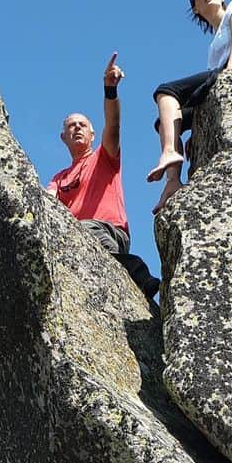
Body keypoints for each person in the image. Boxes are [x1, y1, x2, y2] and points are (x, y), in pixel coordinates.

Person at [46, 53, 161, 300]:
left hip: (109, 231)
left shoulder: (104, 157)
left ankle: (132, 271)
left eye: (82, 125)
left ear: (92, 134)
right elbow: (46, 202)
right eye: (71, 126)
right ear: (62, 137)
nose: (76, 128)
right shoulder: (59, 178)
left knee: (86, 228)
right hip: (75, 237)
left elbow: (113, 124)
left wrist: (110, 90)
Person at [147, 0, 232, 212]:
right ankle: (172, 181)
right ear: (195, 9)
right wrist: (201, 126)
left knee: (166, 91)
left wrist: (230, 78)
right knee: (165, 122)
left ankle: (169, 151)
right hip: (220, 74)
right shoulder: (213, 47)